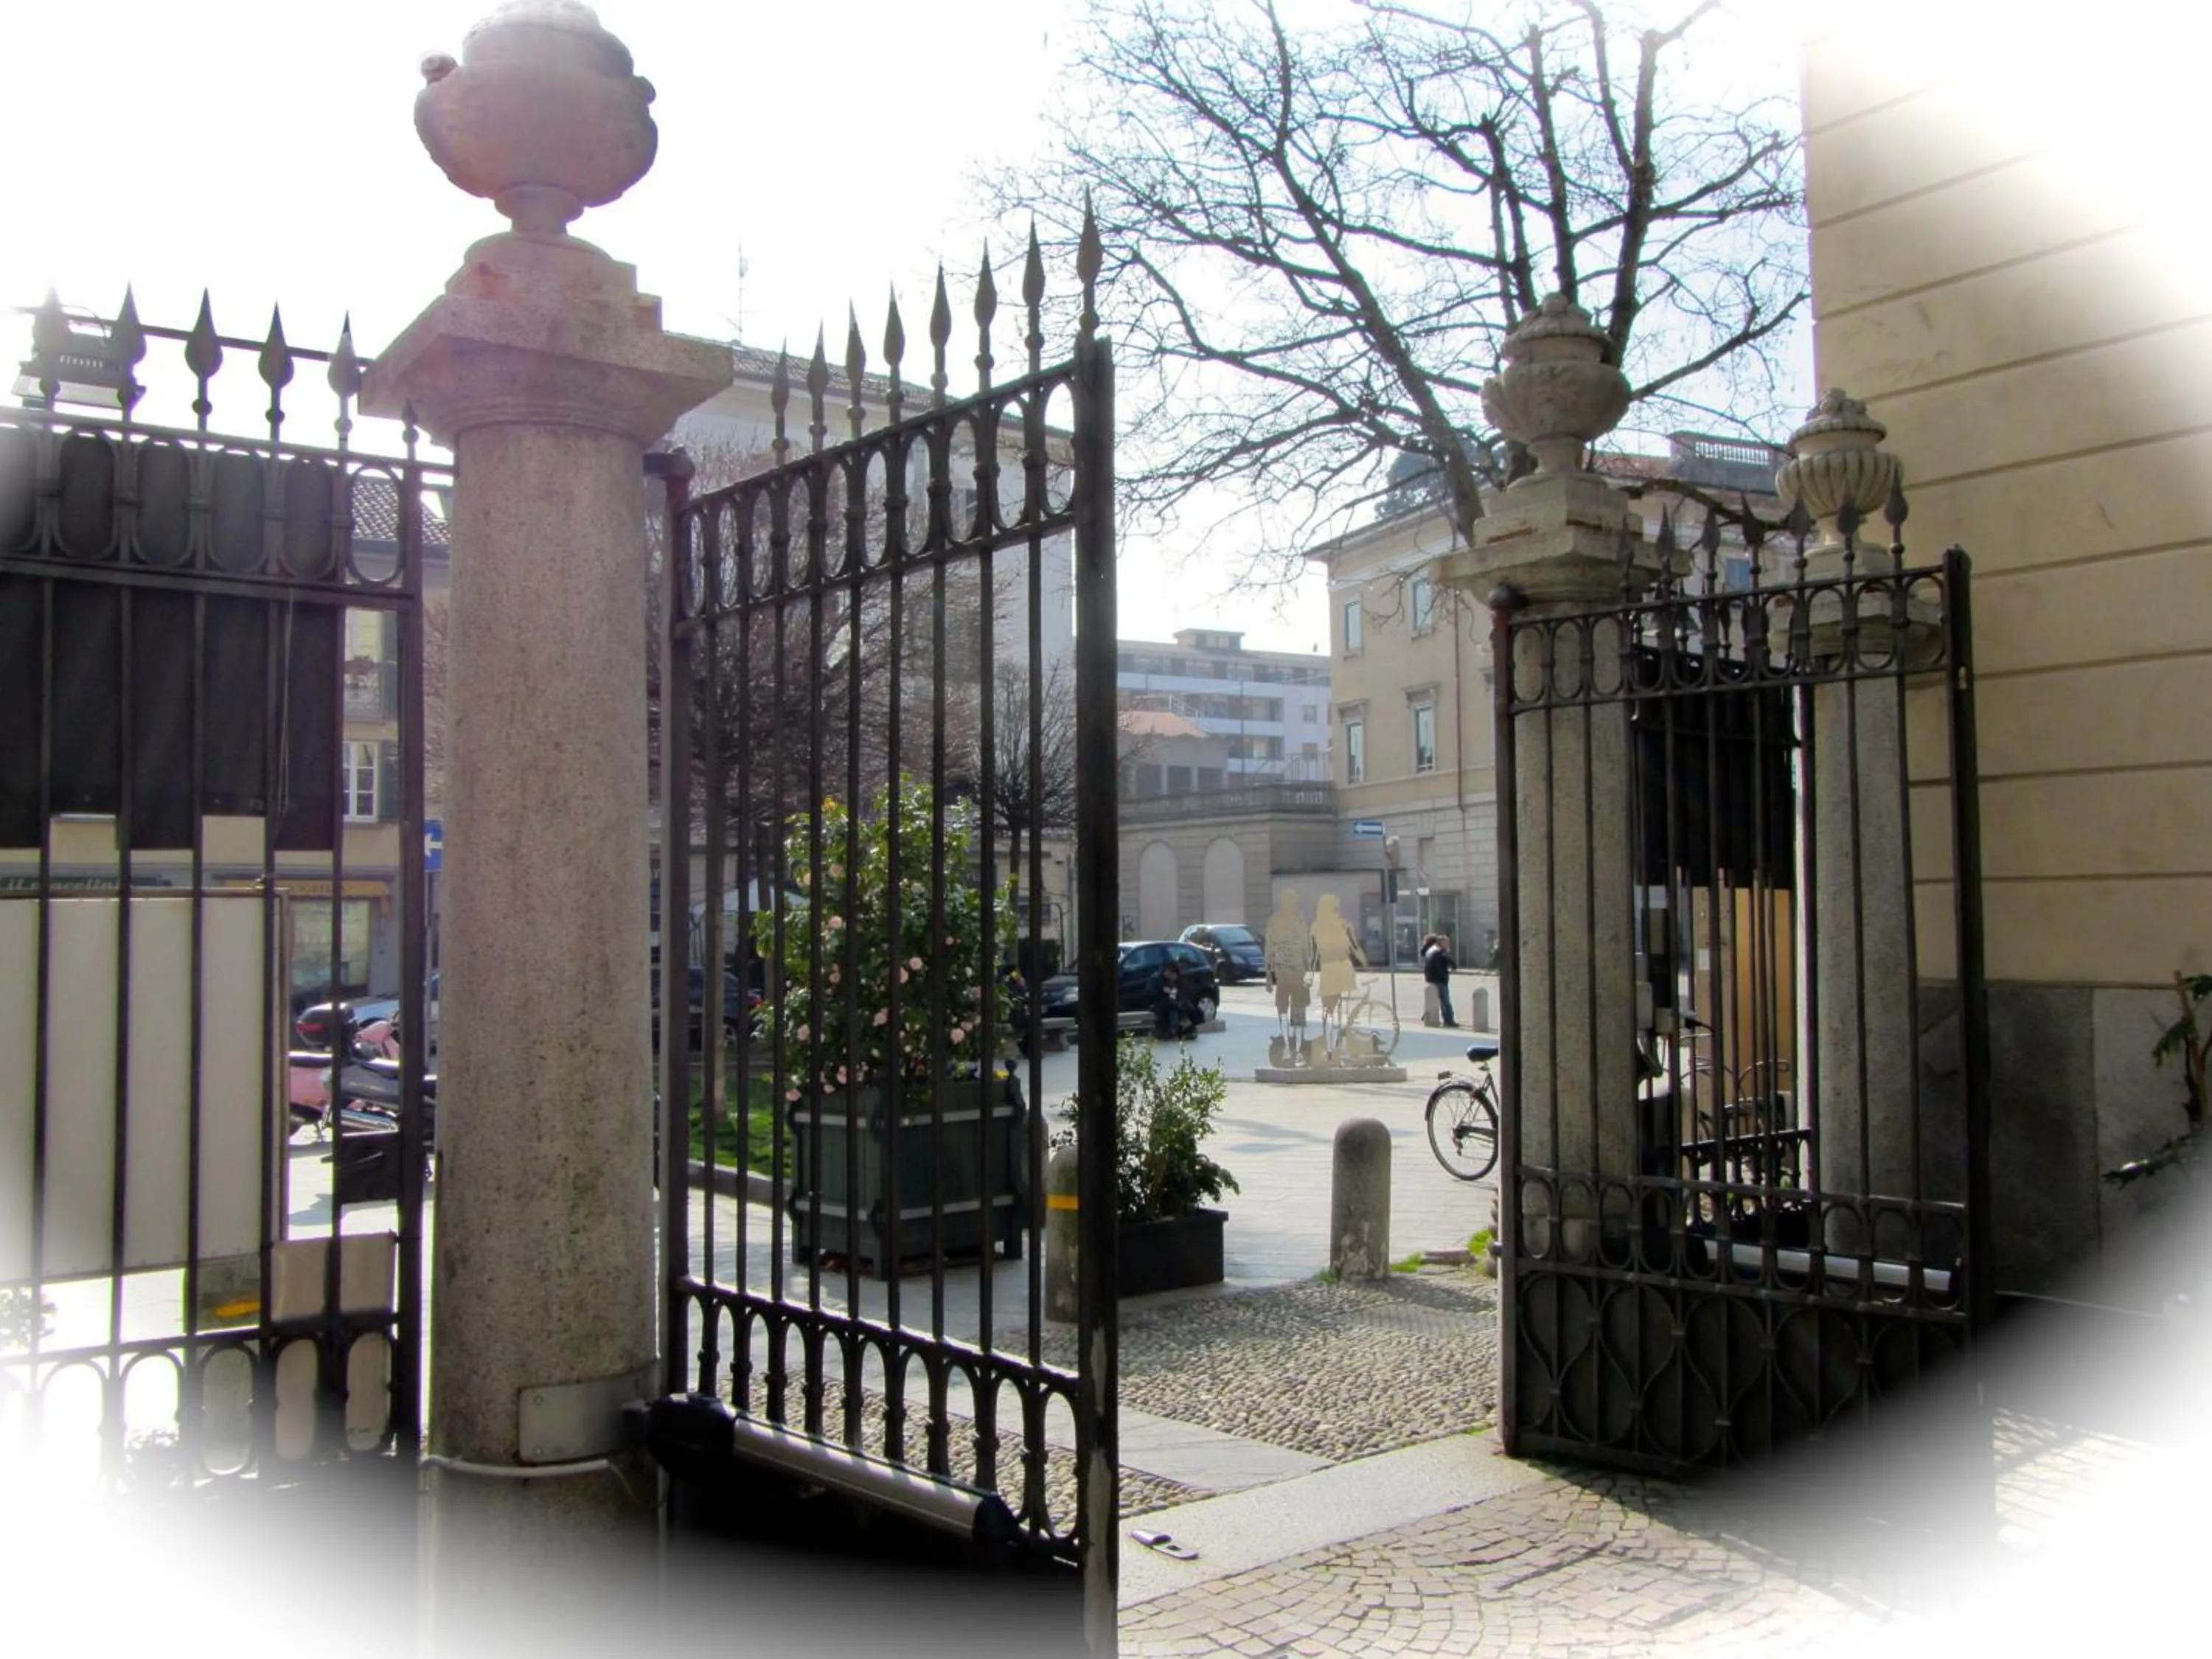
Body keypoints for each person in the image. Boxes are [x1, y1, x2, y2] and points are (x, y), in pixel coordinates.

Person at [1422, 931, 1458, 1028]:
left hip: (1431, 979)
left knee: (1438, 1001)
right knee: (1445, 1001)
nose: (1448, 944)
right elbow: (1451, 963)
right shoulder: (1440, 952)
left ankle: (1432, 1018)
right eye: (1446, 942)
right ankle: (1449, 1020)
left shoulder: (1431, 951)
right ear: (1442, 943)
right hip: (1440, 980)